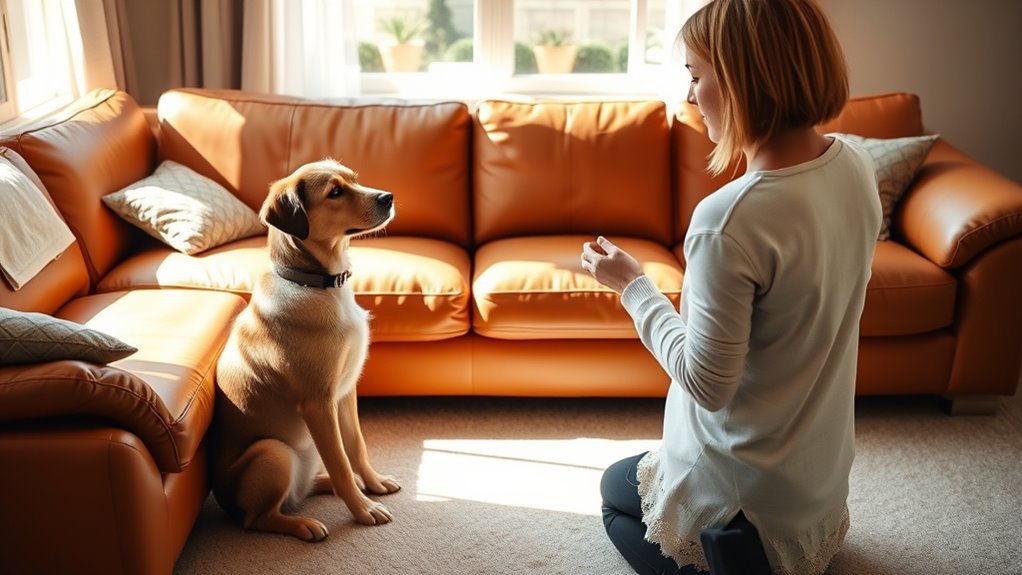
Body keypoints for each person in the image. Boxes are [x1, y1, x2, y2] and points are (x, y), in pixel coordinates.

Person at [579, 0, 882, 574]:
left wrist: (634, 287)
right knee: (624, 479)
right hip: (813, 479)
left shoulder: (730, 218)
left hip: (748, 492)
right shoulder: (855, 165)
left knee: (612, 499)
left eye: (696, 77)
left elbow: (705, 384)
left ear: (747, 78)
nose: (690, 97)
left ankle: (737, 557)